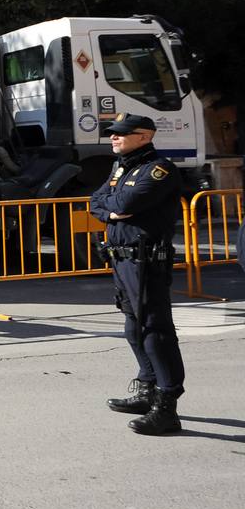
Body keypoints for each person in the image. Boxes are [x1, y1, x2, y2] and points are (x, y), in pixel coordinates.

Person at [90, 113, 185, 436]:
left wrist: (115, 207)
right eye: (113, 134)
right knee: (133, 327)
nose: (113, 138)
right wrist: (113, 208)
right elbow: (96, 202)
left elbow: (128, 201)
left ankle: (167, 405)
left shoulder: (159, 170)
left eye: (121, 134)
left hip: (146, 262)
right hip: (122, 261)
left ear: (144, 137)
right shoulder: (121, 167)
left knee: (155, 331)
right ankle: (147, 389)